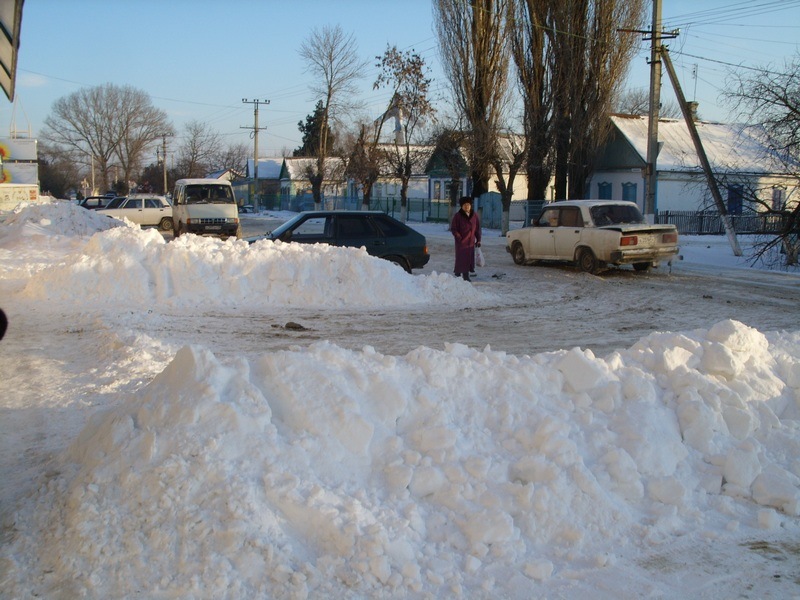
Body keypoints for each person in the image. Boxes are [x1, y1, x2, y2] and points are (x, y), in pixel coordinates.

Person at [450, 196, 481, 281]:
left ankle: (459, 272)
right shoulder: (458, 216)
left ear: (471, 205)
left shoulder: (474, 216)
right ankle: (465, 275)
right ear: (461, 206)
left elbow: (477, 229)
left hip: (470, 242)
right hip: (461, 242)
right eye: (465, 205)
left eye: (468, 204)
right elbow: (453, 228)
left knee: (468, 258)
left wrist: (478, 240)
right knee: (462, 258)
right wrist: (458, 237)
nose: (467, 206)